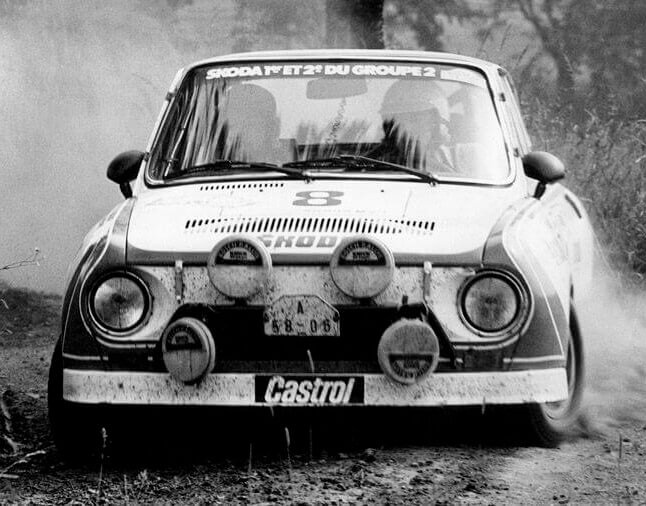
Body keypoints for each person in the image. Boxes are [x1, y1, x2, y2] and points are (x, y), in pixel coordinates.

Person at [370, 79, 453, 173]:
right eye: (398, 121)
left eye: (415, 119)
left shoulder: (457, 159)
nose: (406, 128)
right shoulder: (369, 165)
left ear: (435, 124)